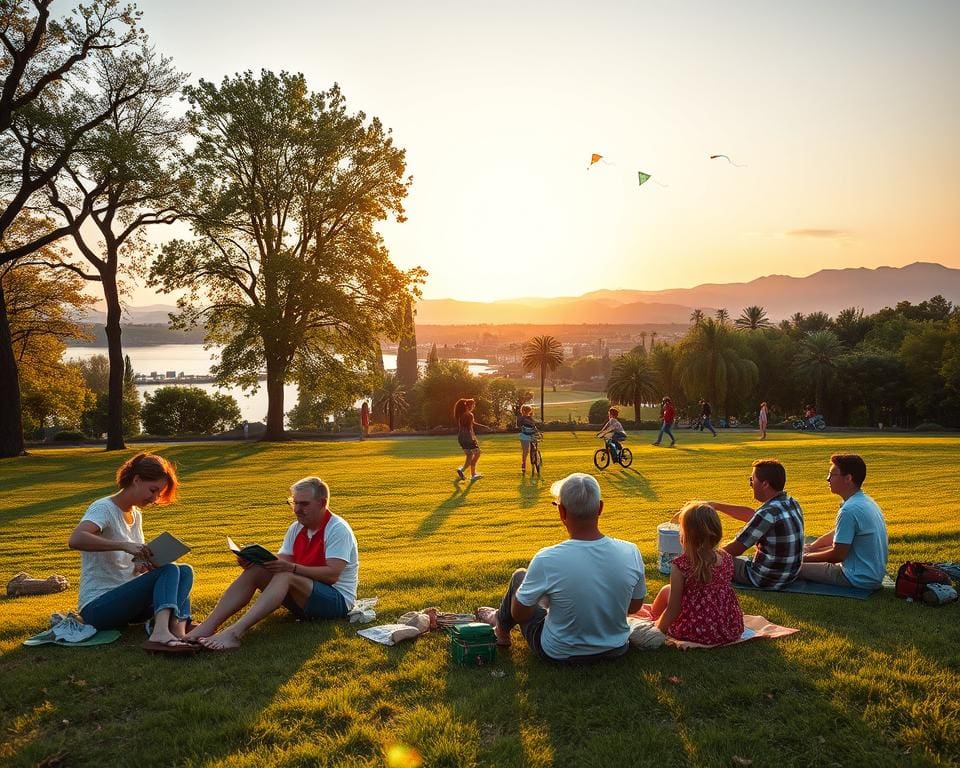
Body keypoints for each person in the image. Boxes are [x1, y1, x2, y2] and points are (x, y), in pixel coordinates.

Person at [476, 473, 646, 662]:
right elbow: (634, 606)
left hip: (559, 652)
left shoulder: (547, 558)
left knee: (520, 577)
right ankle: (499, 618)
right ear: (600, 508)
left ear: (562, 512)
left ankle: (501, 628)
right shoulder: (630, 551)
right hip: (615, 647)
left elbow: (520, 614)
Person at [186, 476, 358, 651]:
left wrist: (292, 568)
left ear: (322, 503)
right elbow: (283, 560)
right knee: (257, 570)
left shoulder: (337, 529)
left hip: (337, 602)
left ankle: (234, 633)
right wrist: (255, 561)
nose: (297, 509)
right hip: (305, 598)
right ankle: (207, 627)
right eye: (294, 503)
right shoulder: (297, 528)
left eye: (304, 504)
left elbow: (332, 575)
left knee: (286, 576)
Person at [68, 453, 195, 653]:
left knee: (185, 570)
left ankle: (178, 630)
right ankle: (160, 632)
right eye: (153, 490)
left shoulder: (135, 514)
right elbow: (76, 539)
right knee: (169, 570)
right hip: (98, 607)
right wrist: (123, 545)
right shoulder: (104, 508)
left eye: (158, 494)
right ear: (136, 480)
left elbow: (128, 561)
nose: (154, 499)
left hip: (127, 603)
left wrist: (140, 566)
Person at [648, 501, 744, 645]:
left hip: (694, 630)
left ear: (685, 535)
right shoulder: (727, 559)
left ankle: (653, 618)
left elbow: (674, 609)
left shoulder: (681, 565)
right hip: (727, 627)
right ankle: (654, 617)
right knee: (667, 590)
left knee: (666, 591)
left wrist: (656, 632)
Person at [710, 459, 805, 589]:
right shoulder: (791, 503)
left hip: (764, 578)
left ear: (765, 484)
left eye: (752, 480)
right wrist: (716, 506)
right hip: (789, 576)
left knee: (710, 560)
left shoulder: (767, 513)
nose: (751, 484)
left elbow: (735, 549)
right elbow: (753, 516)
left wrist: (707, 555)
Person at [799, 454, 888, 590]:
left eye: (832, 475)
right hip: (871, 574)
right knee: (816, 552)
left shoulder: (849, 510)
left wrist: (803, 558)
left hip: (856, 577)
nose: (827, 479)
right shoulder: (864, 501)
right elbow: (839, 534)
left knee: (791, 566)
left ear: (848, 478)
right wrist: (812, 547)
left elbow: (837, 555)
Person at [454, 397, 487, 482]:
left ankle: (461, 470)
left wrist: (484, 426)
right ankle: (473, 475)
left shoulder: (462, 415)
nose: (474, 406)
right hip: (468, 438)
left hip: (461, 438)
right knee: (478, 453)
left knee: (469, 456)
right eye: (473, 405)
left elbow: (473, 424)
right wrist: (473, 438)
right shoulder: (469, 415)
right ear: (469, 406)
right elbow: (470, 428)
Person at [517, 404, 539, 473]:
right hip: (524, 436)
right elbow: (519, 425)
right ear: (523, 411)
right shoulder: (521, 418)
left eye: (528, 411)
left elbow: (534, 427)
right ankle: (523, 464)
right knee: (526, 451)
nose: (527, 412)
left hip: (531, 435)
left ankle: (533, 460)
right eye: (526, 411)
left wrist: (537, 432)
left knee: (531, 450)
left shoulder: (531, 418)